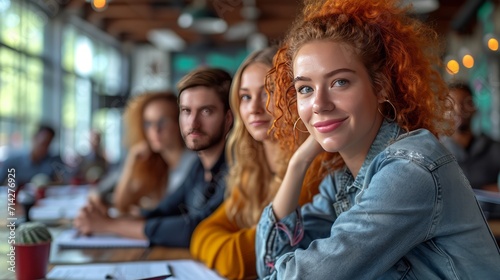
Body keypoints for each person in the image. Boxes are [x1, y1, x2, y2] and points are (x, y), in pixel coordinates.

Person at [255, 0, 500, 279]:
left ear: (381, 86)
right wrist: (298, 163)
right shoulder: (341, 181)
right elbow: (270, 266)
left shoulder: (411, 169)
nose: (319, 104)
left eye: (339, 82)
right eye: (305, 88)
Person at [190, 47, 320, 279]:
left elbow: (253, 258)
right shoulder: (253, 168)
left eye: (268, 92)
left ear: (294, 97)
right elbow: (201, 233)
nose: (253, 109)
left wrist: (227, 246)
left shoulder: (312, 167)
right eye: (245, 97)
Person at [74, 68, 233, 247]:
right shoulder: (199, 166)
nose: (193, 123)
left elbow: (197, 228)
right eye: (187, 111)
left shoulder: (234, 169)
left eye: (206, 112)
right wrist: (103, 219)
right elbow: (163, 211)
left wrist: (110, 225)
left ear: (228, 119)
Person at [441, 82, 500, 192]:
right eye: (451, 105)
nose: (458, 110)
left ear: (474, 108)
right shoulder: (438, 151)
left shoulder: (493, 148)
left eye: (465, 103)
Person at [0, 124, 65, 188]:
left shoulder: (54, 162)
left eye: (48, 144)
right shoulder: (12, 161)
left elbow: (65, 182)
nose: (45, 147)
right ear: (34, 138)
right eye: (43, 143)